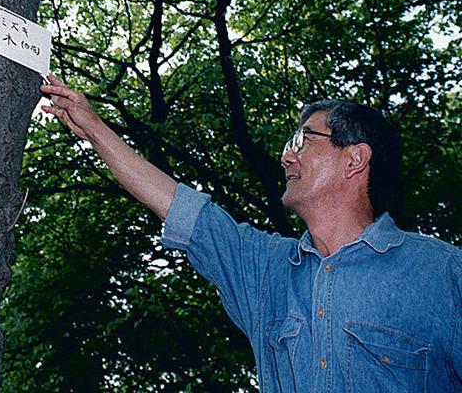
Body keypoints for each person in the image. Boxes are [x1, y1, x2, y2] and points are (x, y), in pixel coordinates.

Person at [40, 74, 461, 392]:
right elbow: (176, 204)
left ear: (354, 159)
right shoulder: (263, 269)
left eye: (302, 139)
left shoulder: (442, 274)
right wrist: (94, 127)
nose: (285, 156)